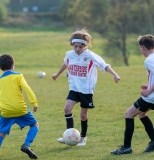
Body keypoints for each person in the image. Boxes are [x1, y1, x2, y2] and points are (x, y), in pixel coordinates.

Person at [52, 28, 120, 146]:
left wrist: (115, 74)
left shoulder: (90, 56)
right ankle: (69, 134)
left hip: (86, 90)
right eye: (75, 46)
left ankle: (83, 137)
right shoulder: (69, 54)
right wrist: (57, 74)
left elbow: (104, 65)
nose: (77, 49)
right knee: (67, 109)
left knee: (83, 115)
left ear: (85, 45)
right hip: (74, 88)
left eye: (80, 46)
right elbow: (66, 63)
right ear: (72, 45)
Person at [111, 34, 154, 155]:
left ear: (143, 48)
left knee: (129, 114)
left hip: (151, 98)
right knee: (142, 114)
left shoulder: (149, 60)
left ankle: (126, 147)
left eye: (140, 48)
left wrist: (149, 91)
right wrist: (149, 84)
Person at [0, 54, 39, 159]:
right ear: (13, 65)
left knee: (1, 133)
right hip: (21, 109)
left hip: (6, 110)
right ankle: (26, 145)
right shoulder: (18, 76)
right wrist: (34, 103)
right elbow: (27, 89)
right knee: (35, 125)